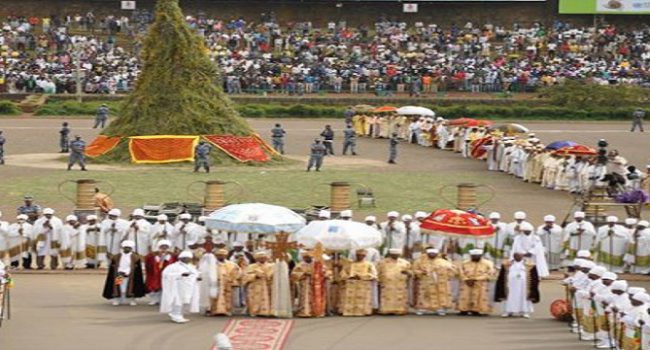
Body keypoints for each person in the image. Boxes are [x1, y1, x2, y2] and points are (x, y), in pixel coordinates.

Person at [494, 251, 540, 318]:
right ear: (513, 256)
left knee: (523, 297)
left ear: (522, 256)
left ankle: (524, 312)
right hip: (510, 285)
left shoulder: (529, 264)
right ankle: (508, 311)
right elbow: (501, 276)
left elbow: (534, 277)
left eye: (519, 256)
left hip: (524, 285)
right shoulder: (507, 264)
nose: (517, 257)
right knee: (509, 297)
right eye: (516, 256)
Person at [160, 250, 201, 323]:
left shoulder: (191, 267)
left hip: (188, 287)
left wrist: (197, 278)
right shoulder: (173, 266)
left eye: (189, 258)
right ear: (180, 258)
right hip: (177, 287)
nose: (187, 259)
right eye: (185, 258)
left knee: (185, 301)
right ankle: (175, 315)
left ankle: (180, 315)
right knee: (177, 301)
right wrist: (180, 274)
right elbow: (166, 275)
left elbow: (194, 274)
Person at [102, 240, 146, 306]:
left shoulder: (135, 257)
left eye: (129, 247)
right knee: (120, 288)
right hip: (119, 274)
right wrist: (120, 271)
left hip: (130, 275)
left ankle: (131, 300)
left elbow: (136, 268)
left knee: (130, 288)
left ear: (131, 248)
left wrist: (128, 272)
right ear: (123, 248)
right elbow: (114, 266)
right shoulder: (117, 256)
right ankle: (117, 299)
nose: (127, 249)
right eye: (125, 247)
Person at [291, 250, 330, 317]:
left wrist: (320, 274)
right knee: (305, 298)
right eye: (305, 257)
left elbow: (325, 271)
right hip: (305, 283)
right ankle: (305, 311)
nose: (307, 258)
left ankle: (315, 311)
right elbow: (294, 274)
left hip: (315, 283)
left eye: (308, 257)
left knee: (314, 297)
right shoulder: (300, 265)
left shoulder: (316, 264)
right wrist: (304, 274)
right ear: (303, 258)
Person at [339, 249, 377, 316]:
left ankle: (364, 311)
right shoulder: (350, 264)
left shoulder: (369, 264)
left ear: (365, 256)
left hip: (363, 284)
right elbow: (343, 273)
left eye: (362, 255)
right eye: (358, 255)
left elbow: (373, 274)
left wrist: (361, 276)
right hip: (351, 284)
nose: (360, 257)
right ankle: (349, 312)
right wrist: (348, 277)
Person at [457, 249, 495, 316]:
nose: (475, 257)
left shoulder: (488, 263)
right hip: (467, 282)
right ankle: (464, 310)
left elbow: (490, 273)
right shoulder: (465, 263)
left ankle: (476, 310)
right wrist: (466, 279)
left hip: (481, 282)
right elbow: (460, 271)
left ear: (481, 255)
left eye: (477, 256)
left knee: (480, 296)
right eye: (473, 256)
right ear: (471, 256)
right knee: (465, 295)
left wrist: (476, 279)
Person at [204, 249, 241, 316]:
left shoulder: (232, 264)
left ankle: (226, 310)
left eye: (222, 255)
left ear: (225, 256)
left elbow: (237, 273)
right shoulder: (211, 264)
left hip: (227, 283)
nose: (220, 256)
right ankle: (213, 310)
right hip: (215, 283)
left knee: (227, 297)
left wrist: (233, 280)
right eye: (218, 255)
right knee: (213, 297)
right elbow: (205, 274)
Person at [377, 248, 411, 315]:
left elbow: (411, 272)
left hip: (400, 283)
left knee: (400, 296)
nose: (395, 256)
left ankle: (400, 310)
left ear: (400, 254)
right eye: (394, 254)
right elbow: (377, 272)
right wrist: (379, 281)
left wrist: (407, 272)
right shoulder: (382, 262)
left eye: (397, 254)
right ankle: (385, 310)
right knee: (387, 296)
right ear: (390, 254)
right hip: (387, 283)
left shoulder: (405, 262)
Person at [242, 251, 274, 316]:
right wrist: (255, 275)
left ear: (266, 258)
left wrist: (268, 275)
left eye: (263, 257)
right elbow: (245, 276)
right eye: (260, 258)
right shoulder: (251, 266)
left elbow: (274, 275)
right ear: (256, 259)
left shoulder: (272, 266)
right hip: (255, 286)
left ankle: (267, 311)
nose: (262, 259)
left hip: (268, 285)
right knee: (255, 299)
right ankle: (255, 311)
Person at [145, 240, 176, 306]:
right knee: (155, 287)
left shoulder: (172, 256)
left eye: (165, 247)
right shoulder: (153, 255)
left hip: (167, 274)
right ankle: (155, 300)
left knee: (165, 287)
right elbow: (148, 263)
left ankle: (164, 300)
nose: (164, 248)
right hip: (155, 274)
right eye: (162, 247)